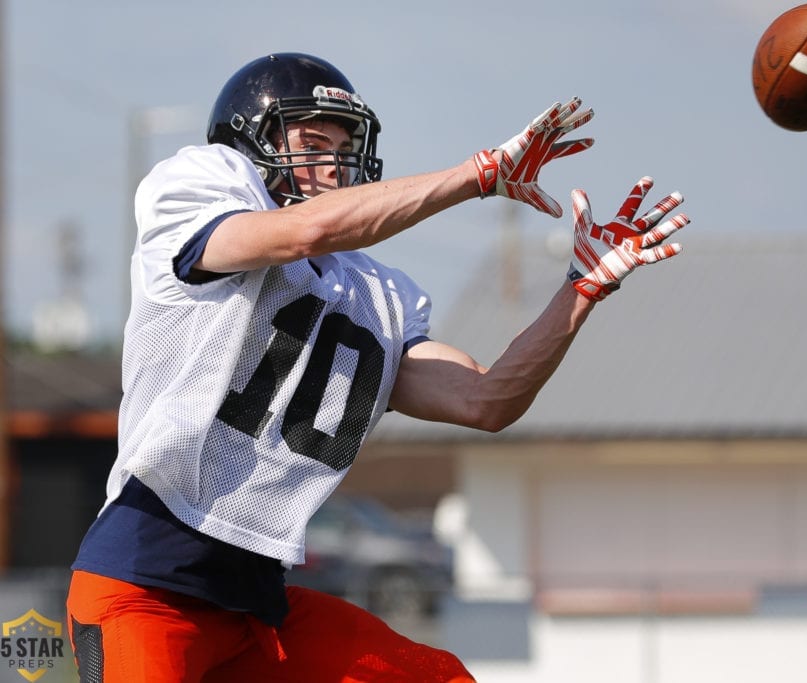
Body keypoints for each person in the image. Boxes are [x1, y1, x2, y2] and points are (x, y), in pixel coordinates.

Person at [64, 52, 689, 682]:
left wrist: (579, 290)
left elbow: (487, 400)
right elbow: (304, 234)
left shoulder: (375, 294)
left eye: (344, 145)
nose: (333, 161)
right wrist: (479, 174)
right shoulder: (198, 185)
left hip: (260, 604)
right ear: (248, 140)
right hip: (146, 585)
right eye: (313, 141)